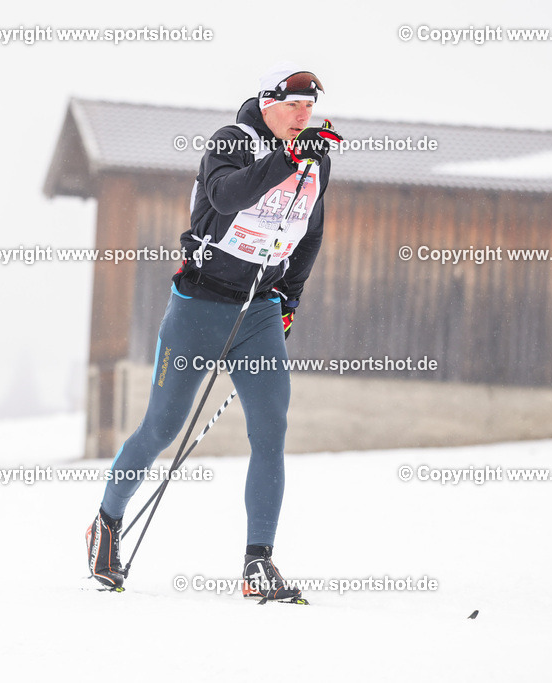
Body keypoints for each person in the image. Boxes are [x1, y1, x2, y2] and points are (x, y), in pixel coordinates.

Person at [86, 63, 342, 602]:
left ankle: (258, 562)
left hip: (259, 315)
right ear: (267, 102)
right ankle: (107, 523)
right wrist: (284, 160)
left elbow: (310, 234)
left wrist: (290, 299)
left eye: (309, 105)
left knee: (270, 432)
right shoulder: (231, 141)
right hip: (198, 308)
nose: (303, 114)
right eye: (293, 103)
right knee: (161, 429)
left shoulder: (315, 159)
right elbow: (227, 199)